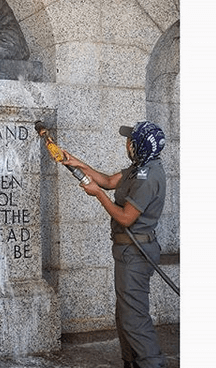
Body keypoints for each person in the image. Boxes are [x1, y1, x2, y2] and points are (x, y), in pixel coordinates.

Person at [62, 121, 167, 368]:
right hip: (127, 252)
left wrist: (98, 194)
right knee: (125, 316)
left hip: (136, 253)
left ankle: (153, 364)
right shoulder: (139, 167)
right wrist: (77, 162)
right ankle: (132, 363)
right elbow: (109, 180)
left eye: (130, 140)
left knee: (134, 318)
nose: (126, 143)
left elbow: (126, 218)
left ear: (140, 146)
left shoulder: (148, 176)